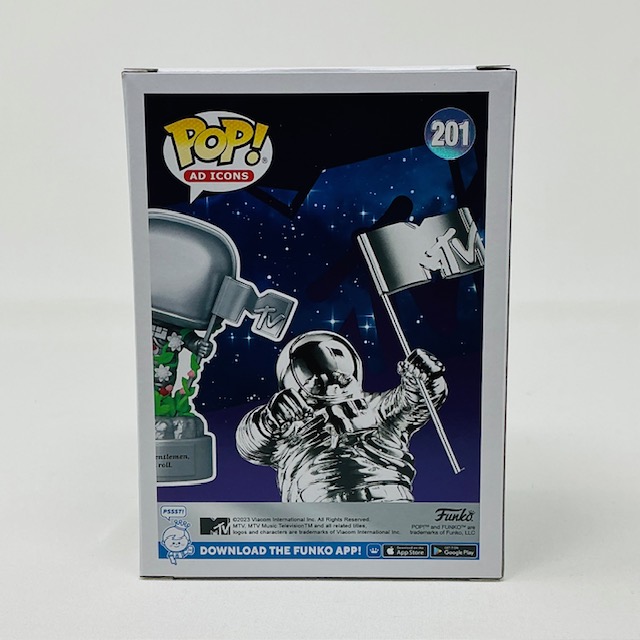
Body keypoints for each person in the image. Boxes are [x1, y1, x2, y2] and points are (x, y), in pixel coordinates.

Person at [236, 331, 447, 502]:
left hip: (391, 501)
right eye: (319, 383)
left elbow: (415, 400)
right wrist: (271, 418)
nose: (332, 388)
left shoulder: (376, 408)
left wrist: (424, 377)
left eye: (340, 379)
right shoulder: (288, 427)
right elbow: (250, 442)